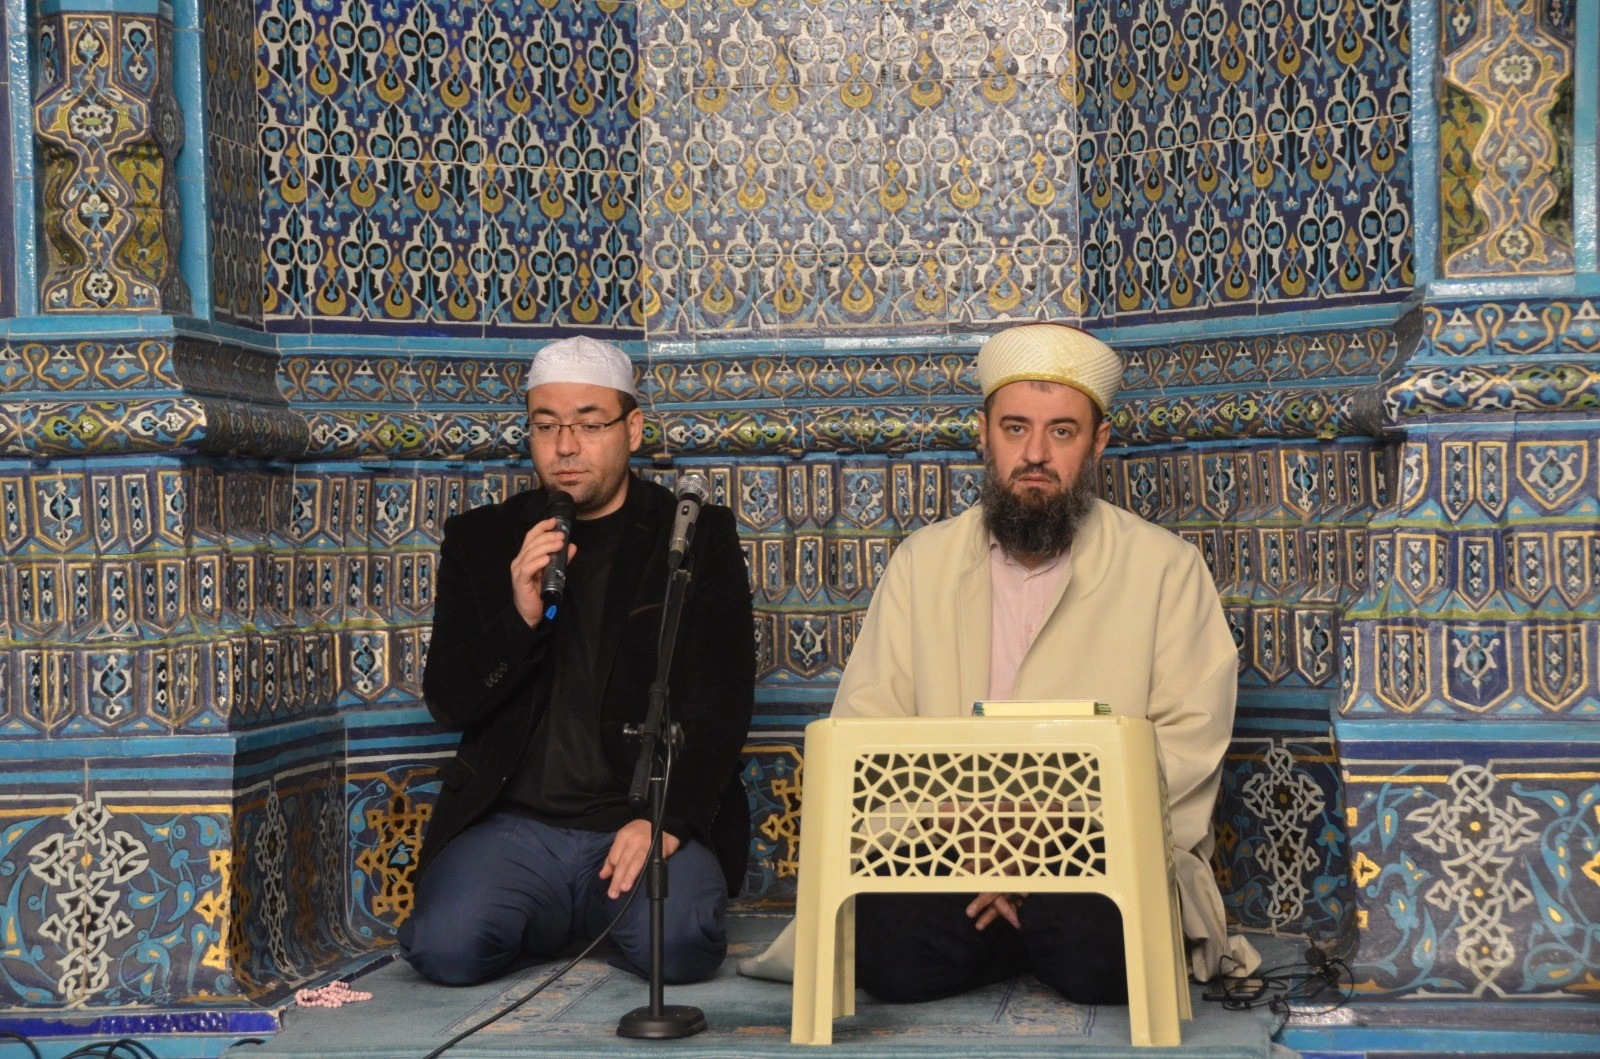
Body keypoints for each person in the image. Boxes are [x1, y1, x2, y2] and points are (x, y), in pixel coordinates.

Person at [740, 322, 1257, 1001]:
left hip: (1095, 853)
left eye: (1062, 432)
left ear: (1098, 441)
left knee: (1101, 943)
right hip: (949, 847)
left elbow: (1187, 742)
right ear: (983, 433)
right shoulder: (922, 564)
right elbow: (868, 732)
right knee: (887, 943)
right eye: (1016, 428)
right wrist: (968, 835)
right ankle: (1005, 927)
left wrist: (1046, 838)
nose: (1035, 453)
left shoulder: (1165, 567)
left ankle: (1009, 932)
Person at [400, 336, 755, 987]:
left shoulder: (693, 535)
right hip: (516, 827)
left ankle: (587, 912)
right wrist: (519, 619)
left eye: (589, 425)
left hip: (637, 818)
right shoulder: (482, 540)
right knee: (446, 948)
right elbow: (449, 701)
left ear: (632, 429)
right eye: (546, 426)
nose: (565, 446)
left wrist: (666, 820)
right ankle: (561, 909)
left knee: (680, 947)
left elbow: (724, 699)